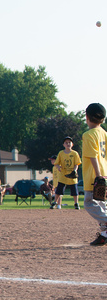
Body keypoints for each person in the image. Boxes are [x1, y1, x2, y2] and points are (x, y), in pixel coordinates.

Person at [80, 103, 107, 245]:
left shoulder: (89, 134)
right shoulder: (104, 133)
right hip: (105, 174)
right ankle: (104, 234)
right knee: (102, 205)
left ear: (87, 117)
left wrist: (98, 176)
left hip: (94, 176)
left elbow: (93, 156)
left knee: (89, 203)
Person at [54, 136, 81, 209]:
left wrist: (75, 170)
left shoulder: (75, 153)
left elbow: (77, 163)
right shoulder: (61, 153)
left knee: (74, 191)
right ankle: (55, 202)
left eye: (69, 142)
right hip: (63, 175)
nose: (68, 144)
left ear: (72, 144)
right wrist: (58, 166)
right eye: (66, 142)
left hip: (72, 175)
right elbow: (56, 163)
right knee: (59, 190)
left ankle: (76, 203)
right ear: (63, 145)